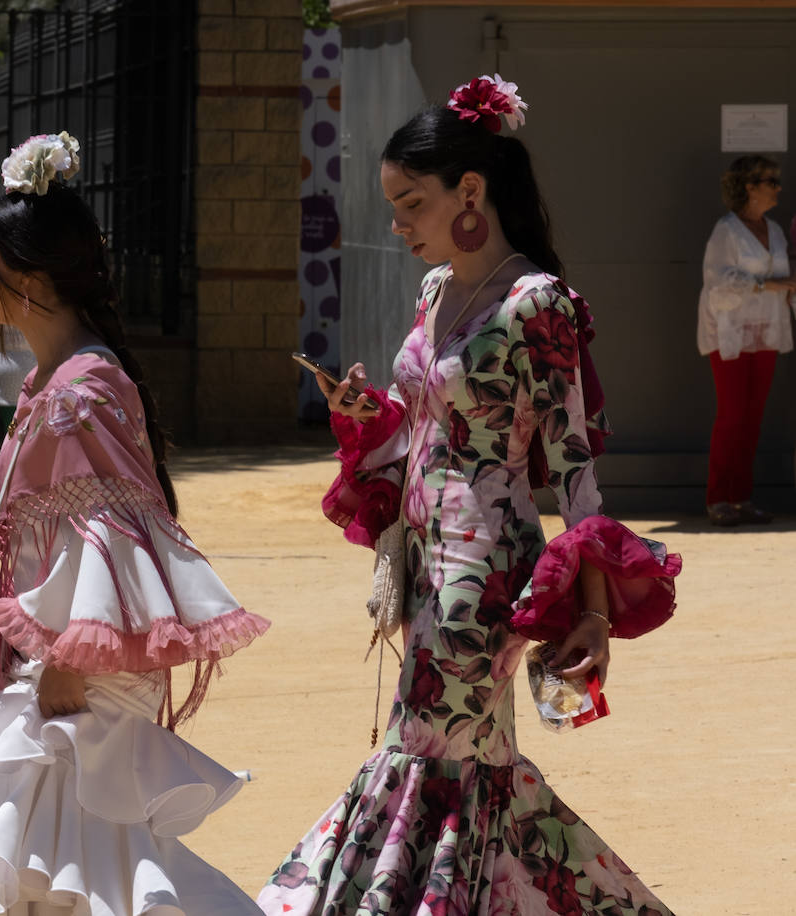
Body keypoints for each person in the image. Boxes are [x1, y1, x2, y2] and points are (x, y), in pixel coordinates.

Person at [257, 77, 681, 915]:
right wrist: (364, 411)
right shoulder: (433, 292)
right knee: (465, 758)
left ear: (471, 192)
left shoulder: (537, 305)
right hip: (425, 563)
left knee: (433, 749)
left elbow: (572, 466)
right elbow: (421, 430)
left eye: (411, 203)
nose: (398, 225)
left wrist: (593, 610)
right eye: (394, 205)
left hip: (483, 574)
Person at [0, 131, 272, 914]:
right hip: (58, 654)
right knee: (55, 856)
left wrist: (71, 656)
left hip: (80, 667)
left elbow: (107, 530)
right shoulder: (58, 376)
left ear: (30, 279)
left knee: (68, 857)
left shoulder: (80, 385)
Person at [697, 155, 795, 526]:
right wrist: (767, 285)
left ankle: (740, 497)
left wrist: (784, 289)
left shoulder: (775, 229)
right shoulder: (727, 230)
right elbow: (718, 282)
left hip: (766, 330)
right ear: (749, 186)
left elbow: (784, 279)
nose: (778, 188)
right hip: (732, 333)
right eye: (770, 180)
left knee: (753, 419)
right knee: (732, 416)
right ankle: (717, 497)